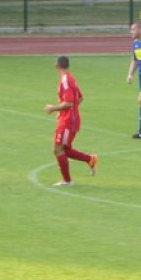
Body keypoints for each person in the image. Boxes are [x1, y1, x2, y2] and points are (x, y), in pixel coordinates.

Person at [44, 55, 99, 187]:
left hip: (68, 121)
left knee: (58, 149)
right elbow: (80, 98)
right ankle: (90, 159)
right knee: (63, 149)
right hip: (69, 119)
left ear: (56, 66)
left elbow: (69, 102)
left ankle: (67, 181)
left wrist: (54, 108)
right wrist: (68, 111)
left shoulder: (66, 80)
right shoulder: (70, 78)